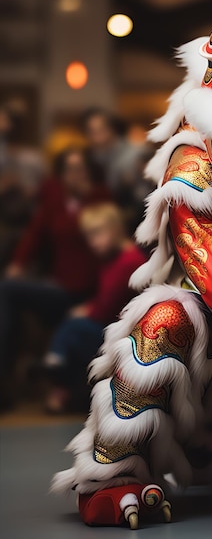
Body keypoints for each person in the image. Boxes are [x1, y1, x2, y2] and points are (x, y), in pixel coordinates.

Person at [0, 146, 109, 410]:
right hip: (60, 288)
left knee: (7, 292)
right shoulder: (56, 201)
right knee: (7, 291)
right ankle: (4, 381)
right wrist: (18, 263)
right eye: (69, 169)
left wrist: (86, 196)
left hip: (88, 289)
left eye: (80, 168)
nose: (75, 174)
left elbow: (107, 238)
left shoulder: (99, 198)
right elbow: (34, 234)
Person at [43, 202, 147, 413]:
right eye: (88, 236)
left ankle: (55, 366)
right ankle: (61, 383)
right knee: (74, 329)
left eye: (98, 233)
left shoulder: (129, 260)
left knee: (75, 327)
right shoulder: (112, 259)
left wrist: (85, 311)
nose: (92, 242)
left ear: (116, 229)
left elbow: (105, 310)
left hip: (127, 335)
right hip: (112, 328)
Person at [80, 107, 150, 228]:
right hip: (101, 222)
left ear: (112, 129)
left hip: (137, 221)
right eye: (91, 132)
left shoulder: (136, 154)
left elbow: (150, 192)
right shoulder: (88, 159)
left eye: (101, 129)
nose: (97, 136)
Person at [0, 106, 44, 270]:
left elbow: (40, 188)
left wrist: (20, 186)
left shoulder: (31, 156)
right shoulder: (3, 153)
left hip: (25, 216)